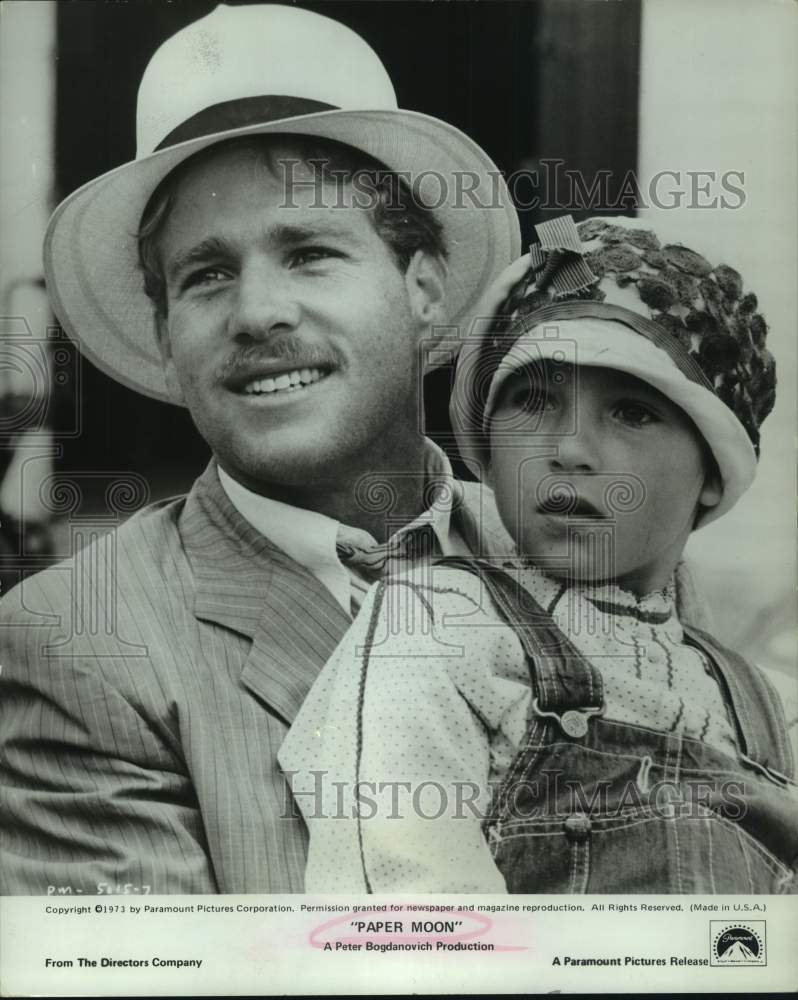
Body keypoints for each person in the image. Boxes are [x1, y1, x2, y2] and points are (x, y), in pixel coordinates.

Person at [0, 3, 523, 895]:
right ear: (165, 335)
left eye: (311, 252)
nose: (256, 314)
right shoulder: (80, 641)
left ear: (424, 286)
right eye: (206, 276)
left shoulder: (581, 558)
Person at [279, 214, 798, 893]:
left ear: (712, 474)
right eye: (533, 400)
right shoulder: (436, 626)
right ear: (489, 451)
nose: (570, 450)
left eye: (632, 414)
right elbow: (407, 903)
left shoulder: (769, 709)